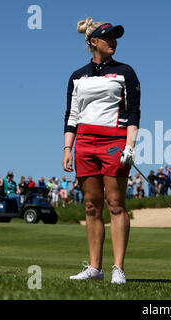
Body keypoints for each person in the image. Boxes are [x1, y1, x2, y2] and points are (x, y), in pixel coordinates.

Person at [63, 17, 141, 284]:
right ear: (93, 41)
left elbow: (133, 114)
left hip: (114, 143)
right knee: (91, 206)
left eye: (115, 38)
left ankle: (118, 268)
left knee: (116, 204)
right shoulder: (77, 76)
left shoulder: (126, 72)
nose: (113, 42)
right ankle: (95, 268)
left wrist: (130, 145)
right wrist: (67, 148)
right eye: (108, 37)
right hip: (84, 143)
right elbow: (71, 116)